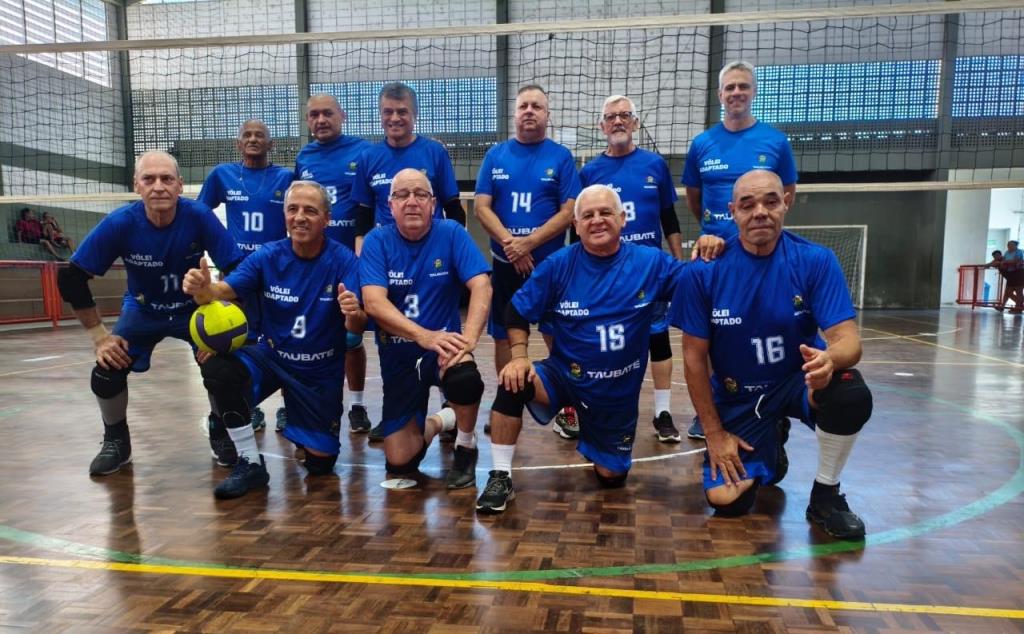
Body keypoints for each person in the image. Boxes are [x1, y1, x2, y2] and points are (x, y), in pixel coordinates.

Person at [475, 184, 723, 515]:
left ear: (622, 219)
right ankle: (500, 476)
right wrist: (519, 357)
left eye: (605, 213)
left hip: (615, 394)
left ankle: (598, 442)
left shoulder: (649, 263)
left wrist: (713, 247)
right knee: (513, 381)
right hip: (563, 376)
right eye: (587, 215)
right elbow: (516, 311)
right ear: (575, 226)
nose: (597, 220)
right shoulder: (558, 265)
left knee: (611, 477)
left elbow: (699, 279)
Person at [671, 170, 873, 540]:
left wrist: (831, 359)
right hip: (739, 396)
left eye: (770, 201)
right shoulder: (703, 272)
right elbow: (694, 359)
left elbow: (848, 341)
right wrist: (714, 434)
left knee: (849, 392)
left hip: (797, 383)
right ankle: (771, 439)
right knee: (724, 499)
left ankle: (826, 495)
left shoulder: (815, 261)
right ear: (732, 212)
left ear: (787, 203)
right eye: (747, 205)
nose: (759, 212)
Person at [56, 151, 243, 476]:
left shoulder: (198, 216)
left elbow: (239, 271)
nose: (158, 186)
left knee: (224, 368)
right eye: (149, 179)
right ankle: (116, 440)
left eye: (167, 179)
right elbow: (71, 277)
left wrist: (215, 298)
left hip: (194, 310)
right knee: (106, 368)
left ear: (180, 185)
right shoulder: (121, 223)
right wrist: (100, 338)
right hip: (142, 309)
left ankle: (221, 430)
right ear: (136, 186)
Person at [182, 181, 367, 498]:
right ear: (284, 216)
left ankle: (302, 426)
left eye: (310, 210)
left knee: (321, 465)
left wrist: (352, 314)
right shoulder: (267, 256)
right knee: (219, 369)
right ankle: (249, 462)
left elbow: (359, 324)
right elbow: (223, 291)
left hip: (318, 371)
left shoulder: (345, 261)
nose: (300, 217)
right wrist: (204, 290)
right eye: (292, 209)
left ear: (327, 219)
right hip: (271, 357)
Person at [681, 60, 798, 441]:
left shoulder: (775, 142)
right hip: (715, 254)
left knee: (760, 330)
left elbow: (788, 192)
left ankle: (773, 406)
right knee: (712, 337)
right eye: (729, 87)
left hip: (763, 253)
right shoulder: (702, 144)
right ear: (719, 95)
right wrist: (720, 232)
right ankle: (710, 409)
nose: (736, 93)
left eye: (743, 87)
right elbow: (695, 200)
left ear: (753, 92)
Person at [360, 168, 491, 490]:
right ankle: (442, 419)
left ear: (433, 203)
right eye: (402, 195)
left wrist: (469, 340)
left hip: (442, 350)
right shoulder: (378, 240)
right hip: (399, 358)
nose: (412, 202)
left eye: (420, 194)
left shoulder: (451, 233)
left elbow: (482, 285)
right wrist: (422, 335)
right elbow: (374, 303)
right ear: (390, 205)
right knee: (401, 462)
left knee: (465, 377)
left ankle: (465, 445)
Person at [351, 82, 467, 440]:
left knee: (443, 330)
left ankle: (453, 408)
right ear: (381, 115)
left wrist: (447, 253)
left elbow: (453, 210)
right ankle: (397, 412)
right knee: (392, 339)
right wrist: (365, 262)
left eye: (402, 111)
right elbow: (361, 219)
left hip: (431, 259)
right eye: (388, 112)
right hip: (388, 263)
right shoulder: (369, 158)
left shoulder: (433, 152)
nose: (395, 118)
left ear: (414, 114)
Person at [473, 84, 580, 438]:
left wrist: (529, 244)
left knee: (557, 336)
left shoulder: (561, 157)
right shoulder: (496, 155)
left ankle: (567, 409)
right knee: (503, 337)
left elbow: (569, 212)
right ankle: (508, 402)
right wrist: (510, 245)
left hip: (550, 268)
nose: (529, 111)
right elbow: (481, 207)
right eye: (523, 106)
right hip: (505, 265)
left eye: (537, 106)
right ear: (515, 113)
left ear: (547, 115)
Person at [580, 94, 684, 443]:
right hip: (607, 272)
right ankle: (598, 407)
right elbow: (579, 224)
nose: (618, 121)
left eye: (625, 115)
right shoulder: (591, 172)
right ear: (602, 126)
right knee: (607, 342)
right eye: (611, 117)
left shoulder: (655, 165)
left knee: (658, 339)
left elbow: (668, 217)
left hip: (649, 270)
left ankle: (662, 412)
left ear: (636, 123)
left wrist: (676, 262)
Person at [197, 119, 295, 431]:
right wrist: (218, 248)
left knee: (284, 340)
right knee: (237, 340)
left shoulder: (286, 177)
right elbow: (200, 216)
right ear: (239, 144)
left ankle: (289, 407)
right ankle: (245, 404)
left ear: (271, 144)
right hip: (237, 273)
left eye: (260, 136)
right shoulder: (221, 175)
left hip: (277, 274)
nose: (253, 140)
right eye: (247, 136)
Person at [293, 95, 374, 435]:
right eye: (314, 115)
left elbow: (370, 206)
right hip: (312, 264)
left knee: (352, 337)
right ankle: (299, 405)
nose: (321, 120)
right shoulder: (304, 157)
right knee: (304, 338)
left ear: (342, 115)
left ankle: (356, 404)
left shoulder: (363, 151)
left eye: (327, 113)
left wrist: (363, 249)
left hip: (349, 261)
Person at [998, 240, 1024, 312]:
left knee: (1019, 291)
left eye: (1011, 245)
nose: (1009, 246)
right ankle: (1003, 306)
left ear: (1016, 246)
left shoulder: (1019, 252)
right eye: (1008, 245)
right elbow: (1003, 261)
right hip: (1010, 273)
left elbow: (1016, 261)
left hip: (1019, 273)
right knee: (1008, 292)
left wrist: (1004, 262)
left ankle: (1018, 308)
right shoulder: (1006, 252)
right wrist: (1003, 263)